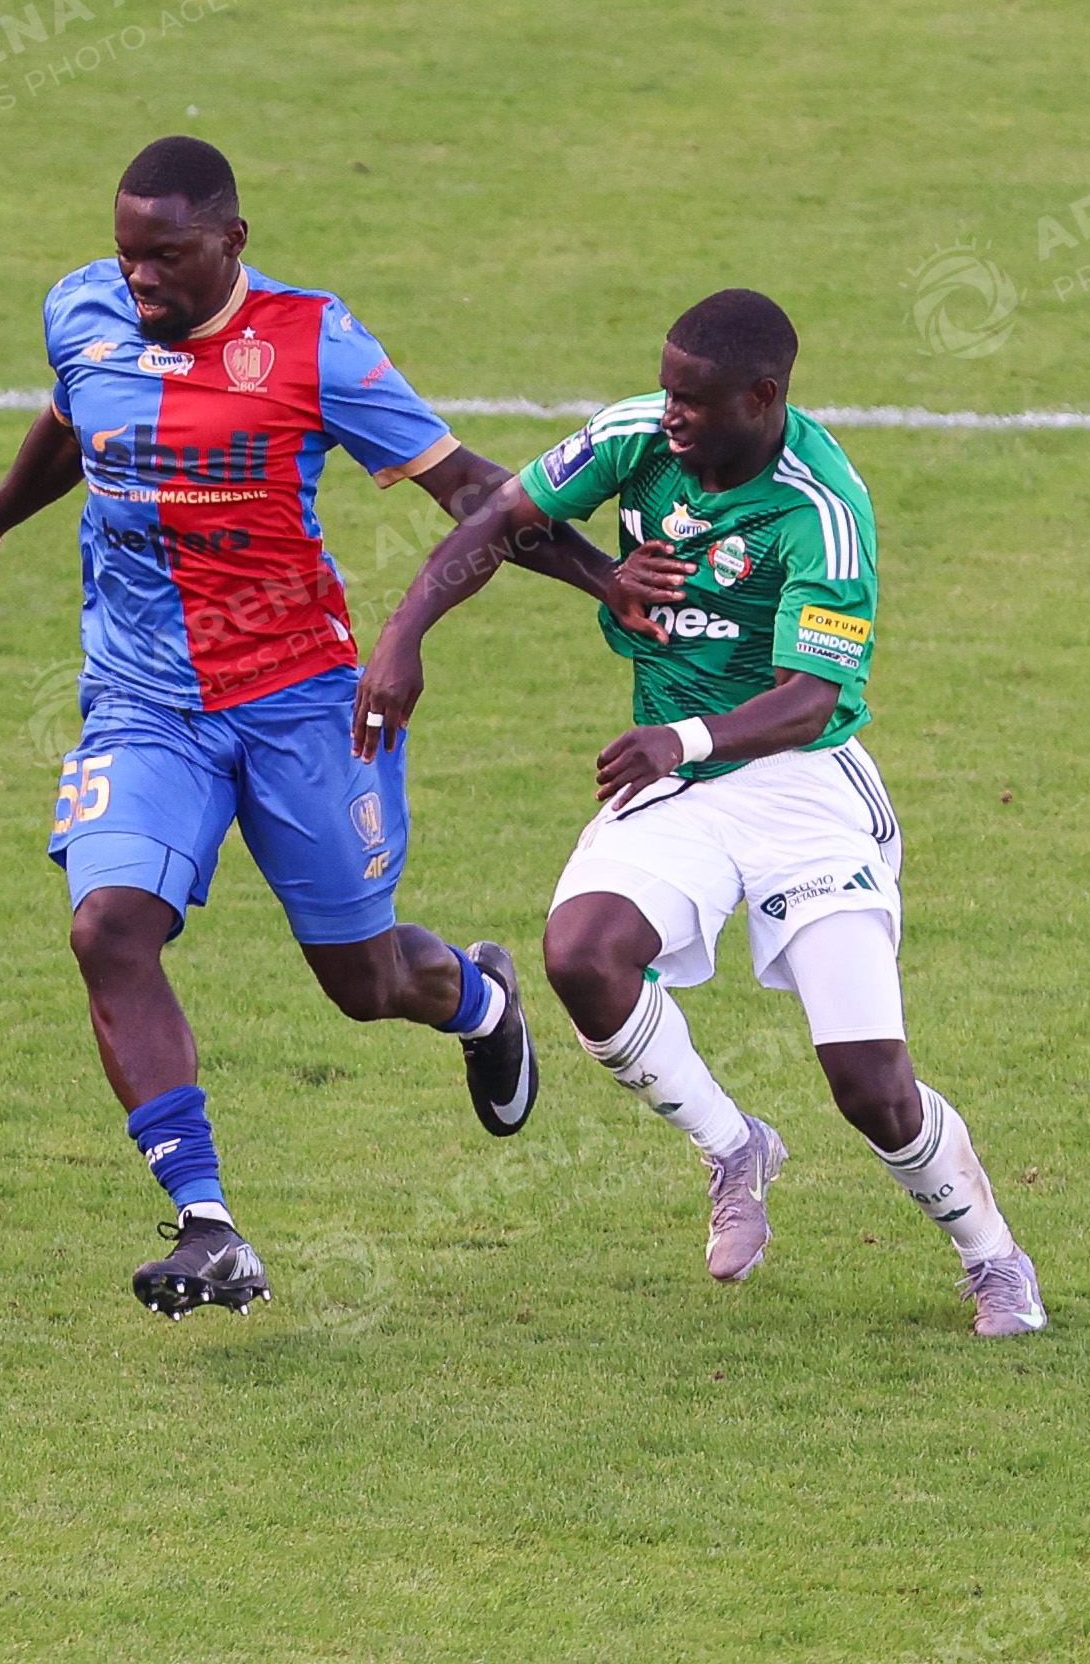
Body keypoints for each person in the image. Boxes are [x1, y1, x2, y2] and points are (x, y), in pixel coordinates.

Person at [0, 136, 679, 1318]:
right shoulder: (82, 310)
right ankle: (207, 1224)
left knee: (364, 981)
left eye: (167, 258)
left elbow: (470, 489)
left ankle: (481, 1001)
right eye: (127, 258)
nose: (141, 282)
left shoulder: (312, 342)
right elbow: (75, 425)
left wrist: (602, 578)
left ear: (232, 241)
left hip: (302, 702)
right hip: (142, 700)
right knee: (108, 928)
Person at [353, 288, 1046, 1336]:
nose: (668, 412)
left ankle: (992, 1258)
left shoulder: (818, 510)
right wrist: (405, 636)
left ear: (761, 399)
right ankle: (734, 1149)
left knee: (869, 1084)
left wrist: (681, 739)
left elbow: (809, 697)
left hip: (803, 787)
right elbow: (498, 516)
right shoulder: (638, 437)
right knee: (583, 954)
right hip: (680, 786)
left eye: (692, 399)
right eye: (665, 389)